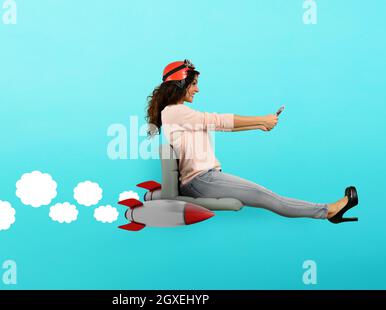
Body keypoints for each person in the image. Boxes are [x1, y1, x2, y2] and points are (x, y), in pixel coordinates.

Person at [145, 59, 359, 224]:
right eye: (193, 84)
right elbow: (218, 120)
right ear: (181, 84)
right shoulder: (175, 112)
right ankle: (329, 211)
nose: (197, 89)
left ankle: (327, 211)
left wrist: (259, 125)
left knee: (267, 197)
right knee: (267, 197)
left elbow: (218, 125)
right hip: (201, 180)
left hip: (204, 179)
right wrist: (261, 119)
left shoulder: (178, 114)